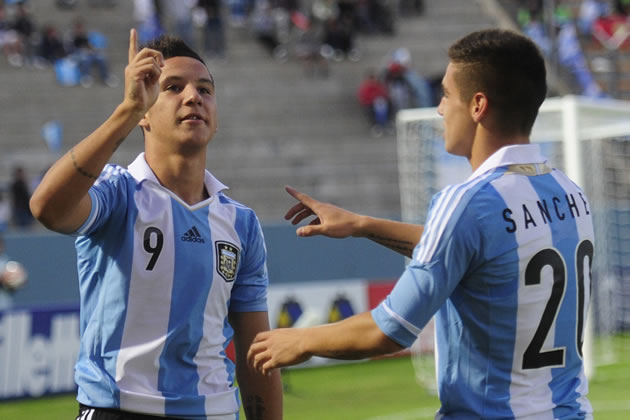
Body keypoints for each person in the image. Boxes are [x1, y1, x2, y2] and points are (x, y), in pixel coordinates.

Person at [248, 29, 595, 419]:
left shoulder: (467, 202)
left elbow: (389, 329)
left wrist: (301, 339)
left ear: (478, 104)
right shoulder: (570, 192)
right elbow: (481, 255)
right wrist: (363, 225)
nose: (441, 109)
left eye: (446, 94)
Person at [30, 30, 282, 420]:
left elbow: (256, 355)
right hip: (118, 409)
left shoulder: (241, 224)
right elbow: (47, 207)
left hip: (214, 412)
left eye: (205, 89)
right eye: (173, 87)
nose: (193, 96)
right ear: (145, 113)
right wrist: (127, 111)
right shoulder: (117, 194)